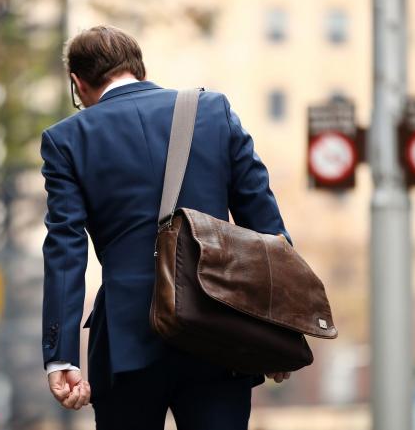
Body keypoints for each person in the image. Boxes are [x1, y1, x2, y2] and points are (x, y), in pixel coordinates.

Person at [40, 25, 293, 429]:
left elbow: (65, 251)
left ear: (78, 83)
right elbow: (265, 227)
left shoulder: (67, 139)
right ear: (139, 68)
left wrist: (61, 356)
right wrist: (280, 330)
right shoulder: (214, 112)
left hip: (127, 340)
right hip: (220, 332)